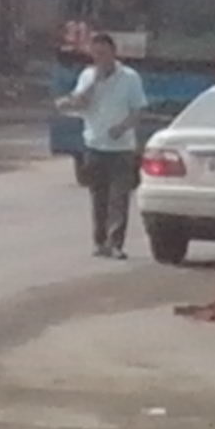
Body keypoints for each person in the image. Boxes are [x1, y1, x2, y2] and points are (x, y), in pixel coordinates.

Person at [59, 30, 147, 259]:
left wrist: (122, 127)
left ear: (113, 53)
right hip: (94, 145)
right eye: (95, 54)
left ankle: (116, 243)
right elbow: (78, 102)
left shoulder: (130, 77)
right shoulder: (87, 75)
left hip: (122, 148)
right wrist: (94, 84)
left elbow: (138, 111)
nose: (100, 58)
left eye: (104, 53)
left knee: (119, 198)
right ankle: (100, 242)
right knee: (98, 197)